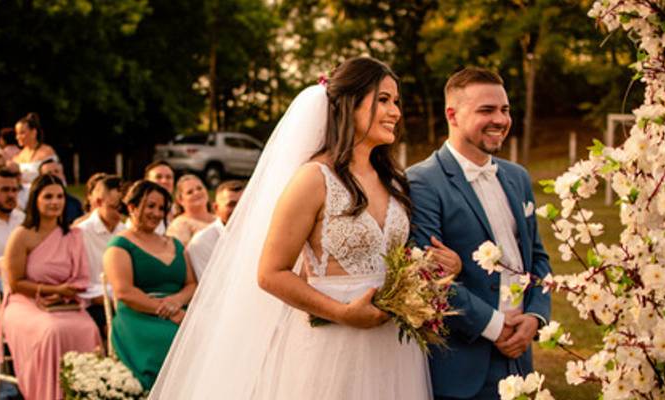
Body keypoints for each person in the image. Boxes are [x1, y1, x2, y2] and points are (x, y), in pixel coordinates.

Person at [151, 57, 460, 399]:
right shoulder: (313, 179)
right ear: (348, 104)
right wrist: (342, 313)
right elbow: (271, 272)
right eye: (383, 100)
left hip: (393, 347)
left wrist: (437, 270)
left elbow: (396, 259)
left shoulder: (394, 181)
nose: (396, 112)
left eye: (396, 102)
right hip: (334, 345)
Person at [407, 67, 552, 400]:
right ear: (452, 115)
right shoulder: (422, 182)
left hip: (520, 359)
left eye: (505, 109)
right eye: (486, 110)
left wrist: (535, 316)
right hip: (463, 363)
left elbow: (538, 258)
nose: (500, 119)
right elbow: (427, 278)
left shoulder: (518, 177)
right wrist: (496, 326)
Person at [0, 174, 102, 400]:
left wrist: (64, 293)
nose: (54, 202)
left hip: (64, 302)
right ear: (35, 200)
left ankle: (82, 394)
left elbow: (81, 277)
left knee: (89, 329)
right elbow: (15, 283)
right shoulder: (21, 235)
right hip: (24, 302)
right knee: (52, 331)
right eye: (48, 197)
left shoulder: (73, 235)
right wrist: (50, 291)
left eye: (59, 197)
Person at [105, 181, 197, 390]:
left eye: (161, 208)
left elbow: (191, 284)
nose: (156, 213)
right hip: (138, 315)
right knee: (172, 341)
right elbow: (124, 292)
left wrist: (176, 302)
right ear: (132, 207)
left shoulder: (175, 244)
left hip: (179, 310)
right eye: (150, 206)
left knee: (210, 337)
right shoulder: (119, 245)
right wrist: (165, 311)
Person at [73, 173, 125, 332]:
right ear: (98, 202)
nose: (119, 214)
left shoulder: (125, 231)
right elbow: (78, 281)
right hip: (91, 301)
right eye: (114, 207)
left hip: (120, 298)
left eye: (122, 208)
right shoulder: (80, 232)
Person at [186, 179, 244, 279]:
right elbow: (208, 287)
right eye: (231, 204)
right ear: (216, 208)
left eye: (243, 203)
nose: (239, 209)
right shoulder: (202, 242)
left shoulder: (260, 235)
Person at [165, 175, 215, 245]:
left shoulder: (219, 218)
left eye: (199, 188)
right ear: (181, 200)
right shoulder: (179, 225)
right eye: (190, 192)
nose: (196, 193)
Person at [12, 113, 57, 186]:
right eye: (17, 134)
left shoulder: (47, 152)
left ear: (33, 132)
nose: (17, 137)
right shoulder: (17, 155)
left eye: (22, 133)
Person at [38, 158, 84, 226]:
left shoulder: (75, 203)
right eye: (49, 173)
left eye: (56, 171)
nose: (54, 175)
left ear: (63, 175)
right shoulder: (36, 203)